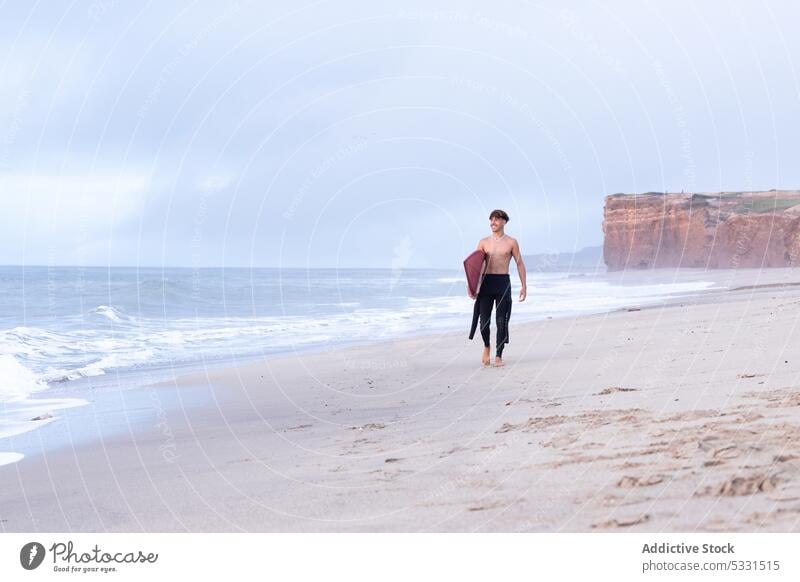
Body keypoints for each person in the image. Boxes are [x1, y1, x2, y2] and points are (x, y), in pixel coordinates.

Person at [468, 209, 527, 366]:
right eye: (491, 219)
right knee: (484, 323)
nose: (492, 222)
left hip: (502, 283)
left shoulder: (511, 242)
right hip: (486, 284)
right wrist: (472, 287)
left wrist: (524, 285)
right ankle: (487, 346)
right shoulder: (483, 242)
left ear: (504, 222)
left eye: (496, 219)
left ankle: (499, 355)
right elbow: (475, 266)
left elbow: (519, 263)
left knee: (501, 321)